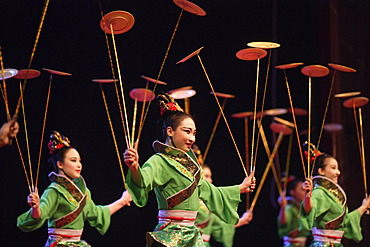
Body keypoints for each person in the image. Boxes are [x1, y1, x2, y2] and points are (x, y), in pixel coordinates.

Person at [123, 93, 256, 247]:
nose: (192, 138)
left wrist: (241, 188)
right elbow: (142, 182)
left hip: (192, 235)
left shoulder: (192, 167)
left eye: (194, 133)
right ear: (170, 131)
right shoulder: (159, 161)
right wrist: (134, 168)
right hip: (170, 234)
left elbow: (210, 191)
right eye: (187, 131)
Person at [17, 131, 132, 247]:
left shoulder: (84, 192)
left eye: (79, 161)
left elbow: (98, 213)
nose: (79, 165)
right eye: (73, 160)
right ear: (60, 164)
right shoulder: (54, 191)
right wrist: (35, 207)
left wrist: (123, 200)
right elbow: (40, 215)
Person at [300, 144, 370, 246]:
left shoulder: (331, 195)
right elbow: (309, 211)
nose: (338, 172)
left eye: (337, 168)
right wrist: (307, 195)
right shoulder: (320, 192)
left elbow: (346, 221)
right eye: (333, 168)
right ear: (321, 171)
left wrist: (363, 207)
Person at [197, 164, 253, 247]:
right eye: (206, 176)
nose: (211, 180)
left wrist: (242, 220)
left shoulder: (208, 206)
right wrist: (240, 188)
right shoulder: (191, 200)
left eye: (210, 176)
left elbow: (220, 228)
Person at [277, 175, 308, 247]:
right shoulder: (289, 208)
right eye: (302, 190)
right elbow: (283, 224)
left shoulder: (302, 209)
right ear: (292, 192)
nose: (305, 193)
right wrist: (283, 208)